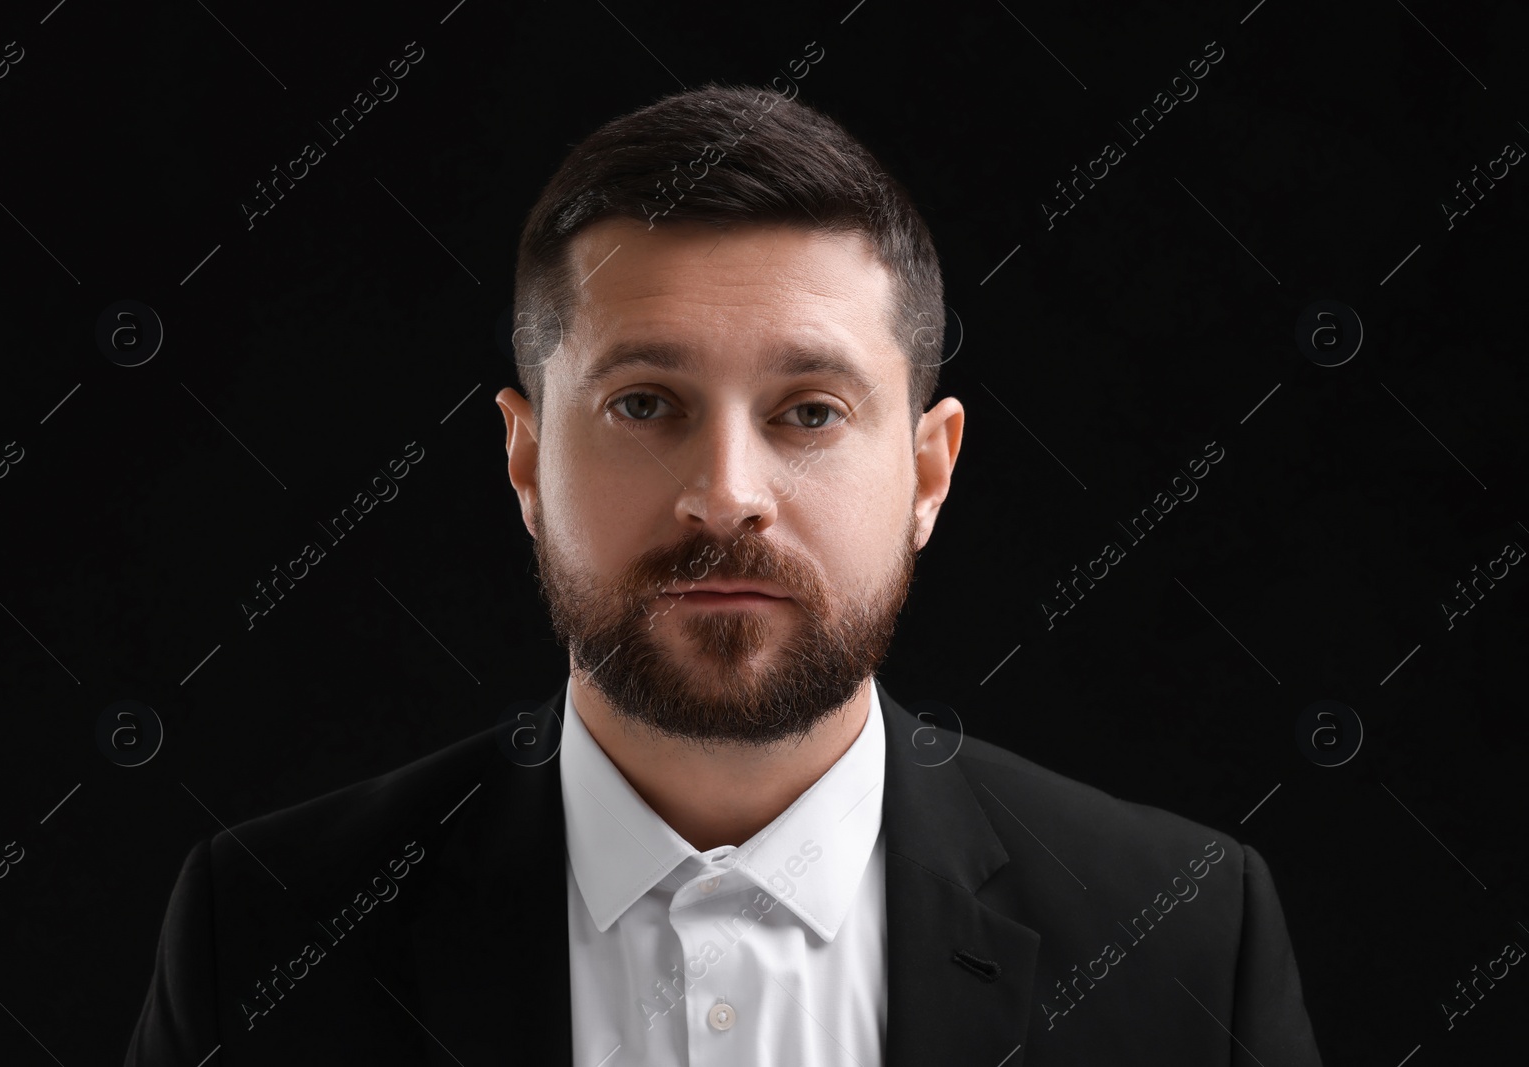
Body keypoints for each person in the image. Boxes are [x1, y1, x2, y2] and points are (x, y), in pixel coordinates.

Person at [125, 83, 1323, 1066]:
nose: (726, 492)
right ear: (528, 460)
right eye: (644, 403)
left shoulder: (1179, 936)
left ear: (926, 472)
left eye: (809, 410)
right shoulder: (270, 930)